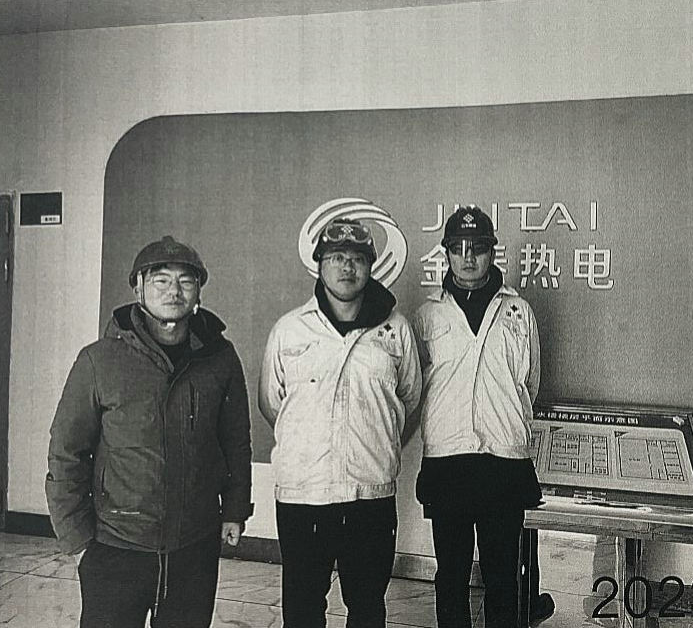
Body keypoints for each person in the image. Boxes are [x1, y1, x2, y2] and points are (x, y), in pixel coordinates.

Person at [46, 235, 253, 628]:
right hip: (115, 546)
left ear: (198, 292)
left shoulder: (220, 358)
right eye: (161, 280)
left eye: (185, 281)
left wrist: (235, 510)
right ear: (138, 288)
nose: (173, 291)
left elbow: (236, 442)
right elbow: (66, 451)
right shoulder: (99, 361)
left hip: (193, 546)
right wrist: (77, 540)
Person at [259, 218, 421, 628]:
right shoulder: (290, 329)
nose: (346, 267)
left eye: (357, 258)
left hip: (369, 495)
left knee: (367, 609)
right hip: (303, 495)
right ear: (318, 264)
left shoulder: (396, 330)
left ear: (371, 266)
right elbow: (272, 403)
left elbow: (409, 401)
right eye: (336, 257)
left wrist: (374, 443)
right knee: (302, 610)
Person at [413, 206, 552, 628]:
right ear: (447, 254)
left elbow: (529, 383)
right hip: (448, 463)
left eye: (477, 247)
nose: (468, 257)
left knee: (502, 577)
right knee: (451, 575)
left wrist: (502, 420)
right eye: (458, 248)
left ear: (492, 252)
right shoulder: (428, 315)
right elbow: (415, 386)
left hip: (503, 464)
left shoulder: (518, 311)